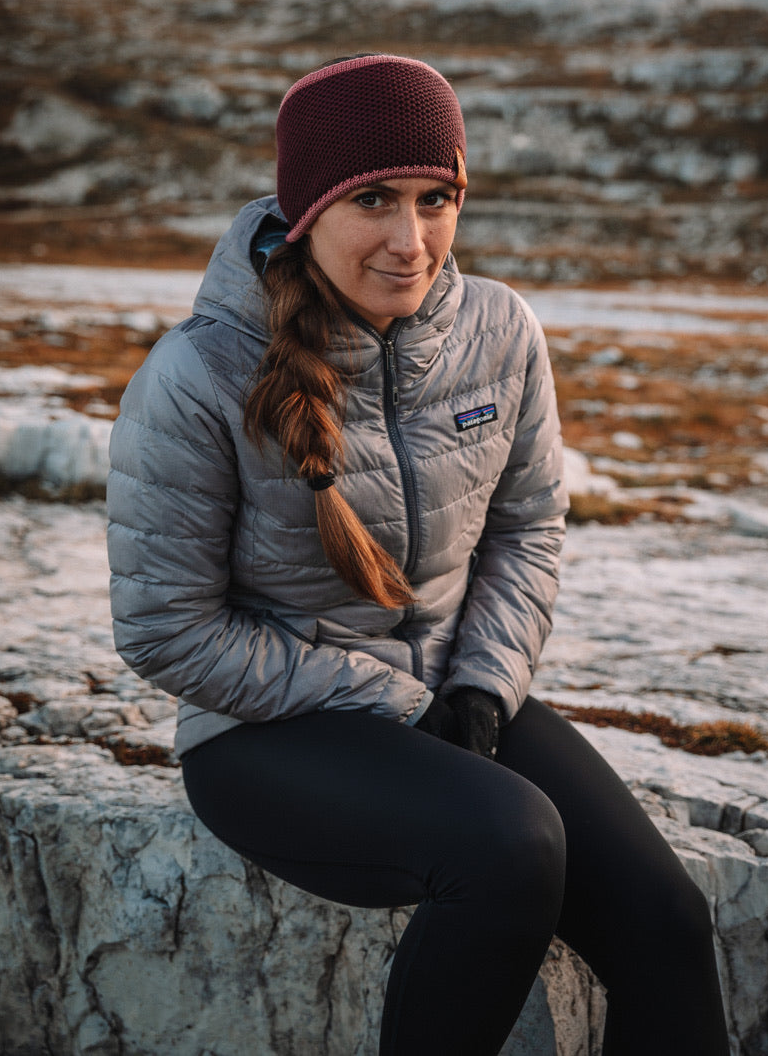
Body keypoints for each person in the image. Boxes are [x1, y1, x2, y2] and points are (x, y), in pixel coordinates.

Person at [107, 54, 729, 1055]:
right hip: (268, 728)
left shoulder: (502, 330)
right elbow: (165, 631)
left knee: (668, 920)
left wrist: (485, 683)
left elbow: (528, 529)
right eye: (374, 202)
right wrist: (394, 702)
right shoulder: (198, 376)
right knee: (511, 846)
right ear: (308, 211)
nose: (412, 241)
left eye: (437, 199)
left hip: (453, 696)